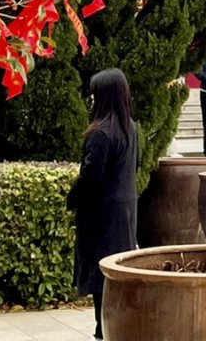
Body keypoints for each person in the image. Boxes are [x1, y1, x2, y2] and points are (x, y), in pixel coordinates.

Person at [67, 69, 138, 341]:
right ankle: (112, 329)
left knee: (101, 277)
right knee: (115, 274)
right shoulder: (130, 128)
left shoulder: (100, 134)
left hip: (101, 214)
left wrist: (71, 199)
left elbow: (90, 178)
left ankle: (102, 331)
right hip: (125, 211)